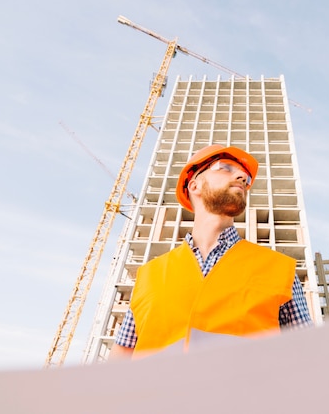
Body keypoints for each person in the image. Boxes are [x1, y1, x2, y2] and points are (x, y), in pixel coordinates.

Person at [109, 144, 313, 360]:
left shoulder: (280, 271)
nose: (242, 177)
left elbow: (308, 357)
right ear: (194, 185)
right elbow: (122, 356)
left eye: (246, 177)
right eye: (225, 168)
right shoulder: (148, 275)